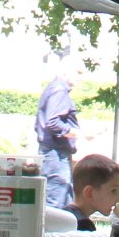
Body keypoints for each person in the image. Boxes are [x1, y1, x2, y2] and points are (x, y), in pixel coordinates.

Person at [43, 153, 119, 237]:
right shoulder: (82, 225)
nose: (118, 199)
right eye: (113, 191)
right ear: (89, 193)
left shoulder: (64, 215)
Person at [35, 56, 80, 209]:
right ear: (67, 72)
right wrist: (76, 133)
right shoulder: (59, 90)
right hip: (55, 155)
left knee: (63, 201)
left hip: (54, 154)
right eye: (78, 73)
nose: (80, 78)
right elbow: (53, 122)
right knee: (56, 204)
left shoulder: (54, 88)